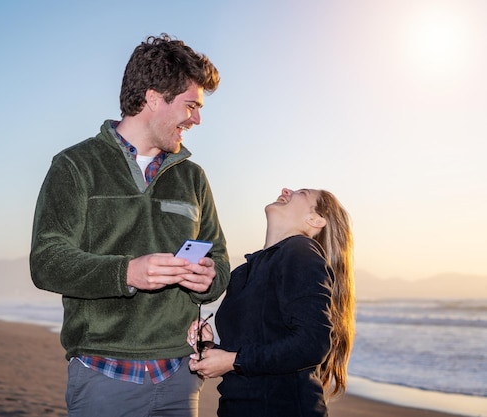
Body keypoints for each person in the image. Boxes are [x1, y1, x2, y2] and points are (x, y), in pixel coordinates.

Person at [30, 33, 230, 417]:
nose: (197, 118)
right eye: (191, 105)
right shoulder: (75, 166)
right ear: (154, 98)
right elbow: (47, 261)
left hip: (180, 374)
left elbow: (219, 261)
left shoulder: (193, 178)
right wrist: (128, 272)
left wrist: (210, 277)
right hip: (104, 373)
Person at [187, 188, 355, 417]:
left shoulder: (301, 252)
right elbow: (251, 348)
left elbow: (312, 344)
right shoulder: (244, 272)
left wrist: (233, 361)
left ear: (315, 220)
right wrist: (211, 348)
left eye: (302, 193)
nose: (286, 190)